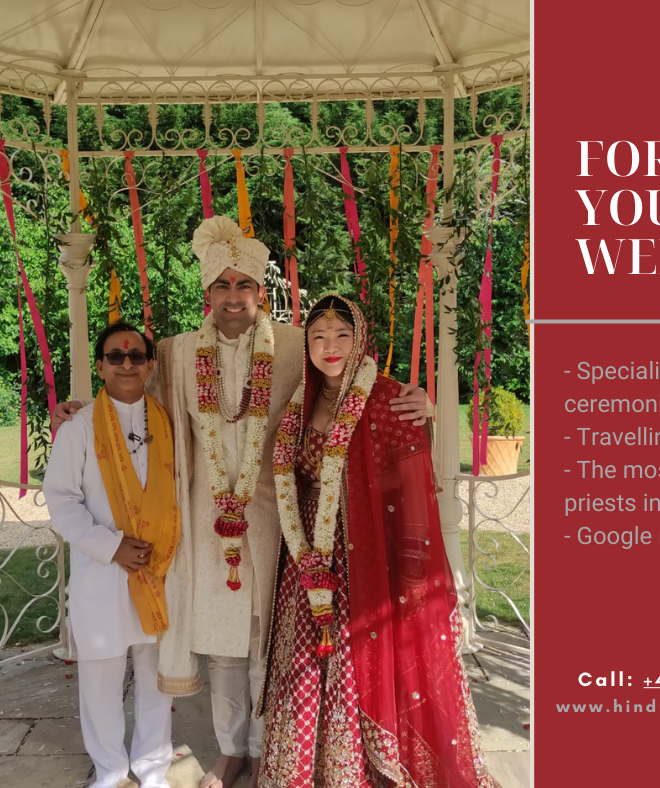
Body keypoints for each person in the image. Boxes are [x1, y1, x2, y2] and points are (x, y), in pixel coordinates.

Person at [52, 216, 429, 788]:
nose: (233, 297)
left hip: (277, 518)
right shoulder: (176, 353)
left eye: (244, 285)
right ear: (208, 293)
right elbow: (130, 393)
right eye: (222, 286)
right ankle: (231, 750)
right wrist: (81, 407)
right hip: (204, 520)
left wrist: (416, 398)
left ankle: (269, 746)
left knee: (268, 640)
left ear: (260, 291)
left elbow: (347, 374)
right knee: (223, 645)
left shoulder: (295, 345)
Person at [259, 294, 498, 788]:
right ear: (306, 345)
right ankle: (306, 768)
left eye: (342, 335)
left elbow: (412, 482)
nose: (330, 346)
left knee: (355, 653)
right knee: (307, 657)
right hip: (310, 552)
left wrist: (411, 564)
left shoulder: (388, 398)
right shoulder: (300, 400)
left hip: (367, 552)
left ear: (361, 339)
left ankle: (362, 767)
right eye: (318, 336)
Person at [44, 322, 181, 788]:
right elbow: (62, 501)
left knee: (156, 675)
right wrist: (112, 546)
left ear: (150, 365)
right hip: (102, 574)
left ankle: (152, 767)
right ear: (100, 366)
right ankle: (109, 769)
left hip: (159, 570)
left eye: (136, 356)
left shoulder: (167, 422)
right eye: (116, 356)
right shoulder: (79, 427)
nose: (126, 364)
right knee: (101, 677)